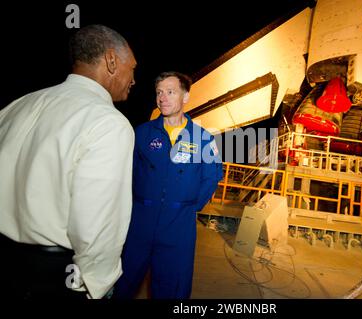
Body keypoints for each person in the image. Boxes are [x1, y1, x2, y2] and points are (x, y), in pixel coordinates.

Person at [0, 24, 137, 299]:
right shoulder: (108, 123)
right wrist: (96, 284)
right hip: (52, 276)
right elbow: (97, 225)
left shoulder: (16, 106)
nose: (134, 79)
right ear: (111, 60)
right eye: (132, 68)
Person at [113, 71, 223, 299]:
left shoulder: (203, 138)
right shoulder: (142, 133)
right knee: (123, 281)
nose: (163, 98)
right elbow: (127, 172)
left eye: (170, 92)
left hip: (179, 225)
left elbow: (211, 176)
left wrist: (190, 205)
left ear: (185, 97)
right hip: (140, 221)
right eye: (159, 92)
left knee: (173, 287)